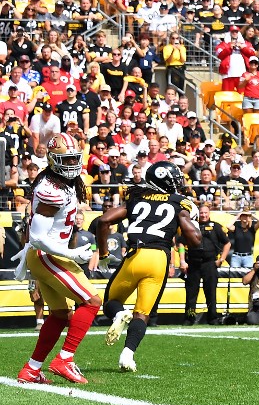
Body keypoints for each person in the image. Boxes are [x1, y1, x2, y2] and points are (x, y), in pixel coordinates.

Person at [97, 162, 201, 372]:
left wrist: (103, 254)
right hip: (159, 260)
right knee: (142, 313)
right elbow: (196, 240)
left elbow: (103, 221)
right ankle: (127, 355)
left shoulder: (136, 197)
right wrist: (187, 226)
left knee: (111, 302)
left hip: (135, 254)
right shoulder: (181, 203)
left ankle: (119, 315)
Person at [15, 133, 102, 385]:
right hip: (47, 255)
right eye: (66, 159)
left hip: (44, 254)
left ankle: (31, 369)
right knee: (92, 301)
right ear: (53, 160)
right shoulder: (50, 189)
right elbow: (39, 237)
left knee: (60, 314)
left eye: (74, 158)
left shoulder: (62, 182)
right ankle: (65, 359)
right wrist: (73, 253)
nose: (72, 164)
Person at [178, 204, 229, 325]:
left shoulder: (216, 227)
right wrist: (182, 260)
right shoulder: (191, 226)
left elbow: (227, 243)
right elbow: (181, 244)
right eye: (201, 213)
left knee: (211, 292)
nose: (203, 215)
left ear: (209, 213)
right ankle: (189, 318)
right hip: (193, 264)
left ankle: (212, 318)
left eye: (206, 213)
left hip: (210, 263)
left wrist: (221, 259)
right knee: (191, 293)